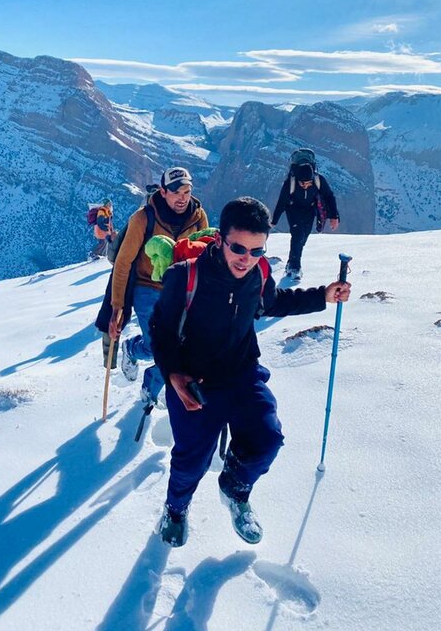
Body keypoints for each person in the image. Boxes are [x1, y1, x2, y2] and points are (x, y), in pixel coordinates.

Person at [149, 196, 350, 547]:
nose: (247, 258)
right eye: (239, 248)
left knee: (267, 438)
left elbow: (273, 304)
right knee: (191, 460)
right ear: (220, 239)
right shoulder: (186, 277)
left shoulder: (258, 273)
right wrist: (173, 375)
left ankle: (235, 489)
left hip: (241, 374)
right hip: (193, 383)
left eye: (257, 250)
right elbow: (160, 330)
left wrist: (324, 296)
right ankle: (176, 509)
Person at [108, 166, 209, 402]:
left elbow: (205, 254)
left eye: (186, 191)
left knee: (179, 349)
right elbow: (123, 263)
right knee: (157, 347)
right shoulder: (144, 218)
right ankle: (133, 349)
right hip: (147, 287)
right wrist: (117, 307)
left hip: (182, 289)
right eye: (176, 192)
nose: (182, 197)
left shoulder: (198, 216)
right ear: (163, 192)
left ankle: (150, 386)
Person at [271, 162, 339, 280]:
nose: (306, 186)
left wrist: (334, 216)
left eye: (309, 183)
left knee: (304, 237)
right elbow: (281, 202)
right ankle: (295, 268)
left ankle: (291, 262)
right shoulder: (290, 183)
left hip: (310, 210)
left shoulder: (319, 180)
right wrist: (274, 220)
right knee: (298, 235)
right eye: (303, 183)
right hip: (293, 209)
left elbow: (329, 197)